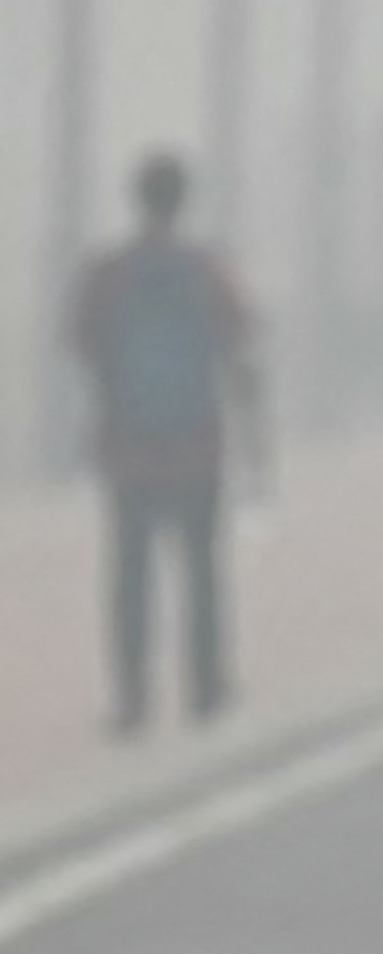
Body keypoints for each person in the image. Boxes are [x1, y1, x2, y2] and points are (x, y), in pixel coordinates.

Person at [69, 153, 259, 734]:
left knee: (130, 573)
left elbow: (82, 344)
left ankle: (133, 699)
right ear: (182, 200)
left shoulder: (109, 273)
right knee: (201, 568)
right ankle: (205, 688)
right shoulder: (206, 269)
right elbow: (239, 345)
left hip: (129, 448)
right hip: (197, 442)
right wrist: (255, 435)